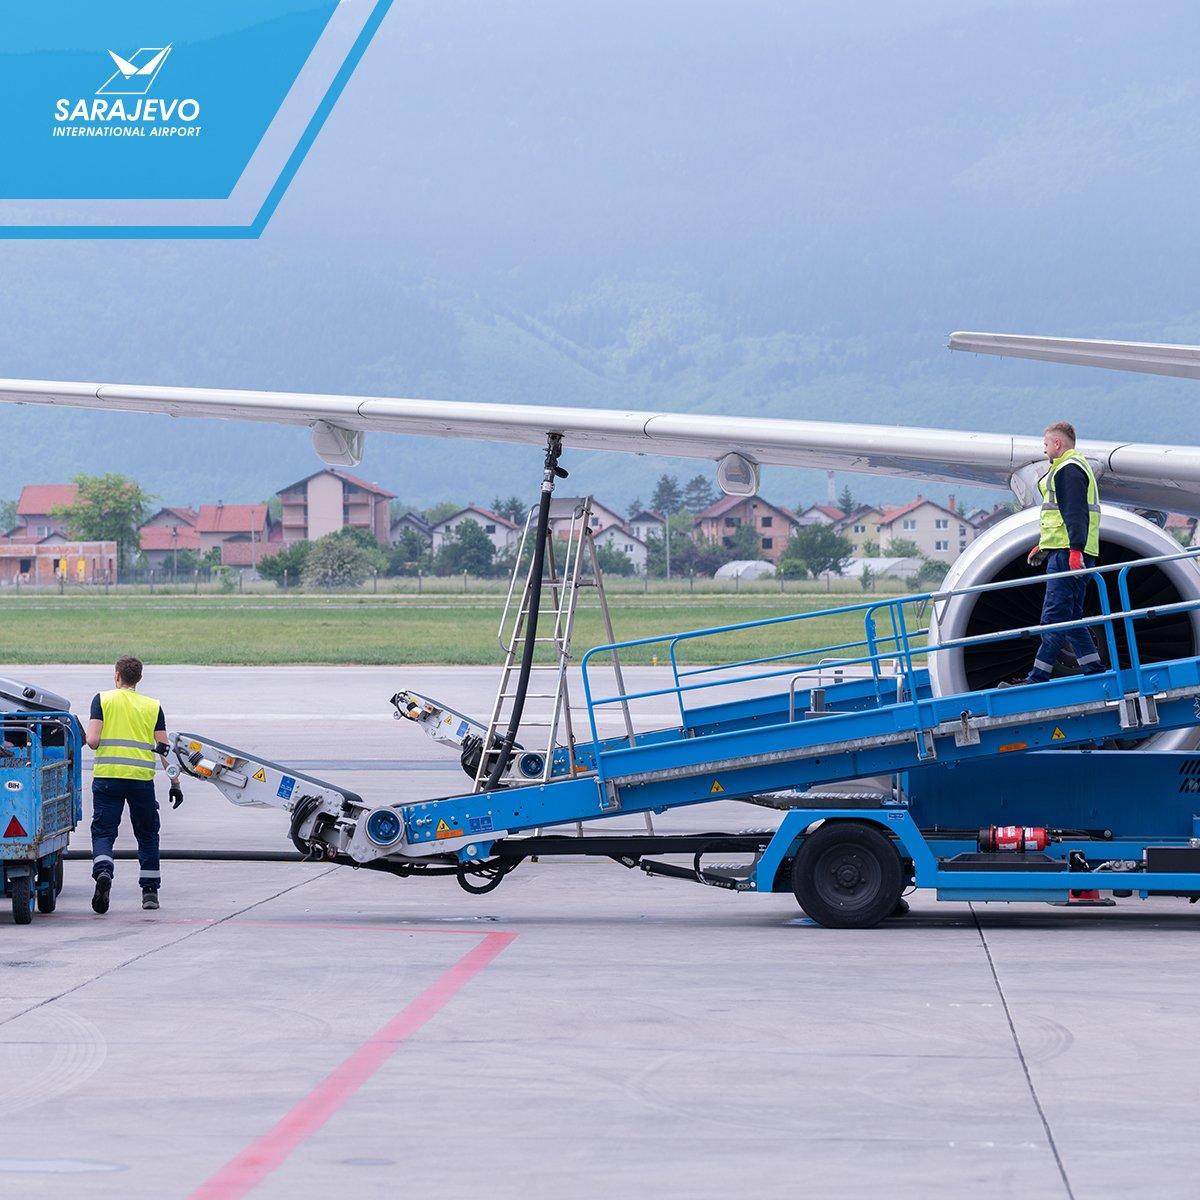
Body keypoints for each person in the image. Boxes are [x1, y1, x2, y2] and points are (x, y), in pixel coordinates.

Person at [85, 655, 183, 913]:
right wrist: (175, 782)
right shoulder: (152, 706)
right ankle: (150, 892)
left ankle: (103, 871)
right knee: (148, 834)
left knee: (104, 832)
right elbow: (164, 749)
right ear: (139, 678)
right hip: (140, 780)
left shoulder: (103, 700)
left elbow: (93, 740)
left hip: (108, 778)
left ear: (117, 675)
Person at [1019, 421, 1104, 684]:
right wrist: (1044, 545)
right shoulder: (1076, 467)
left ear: (1057, 443)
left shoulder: (1068, 470)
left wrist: (1074, 550)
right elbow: (1062, 517)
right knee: (1071, 617)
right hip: (1069, 550)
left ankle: (1038, 676)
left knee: (1052, 618)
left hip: (1069, 554)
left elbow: (1074, 513)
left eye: (1046, 445)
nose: (1044, 451)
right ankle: (1093, 668)